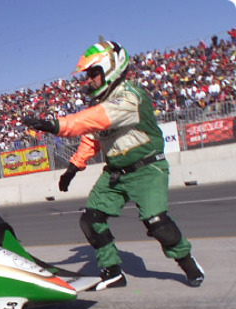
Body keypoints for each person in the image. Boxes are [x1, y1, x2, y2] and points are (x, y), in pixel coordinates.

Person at [22, 40, 204, 290]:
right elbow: (91, 138)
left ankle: (188, 263)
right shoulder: (99, 104)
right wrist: (73, 168)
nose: (90, 79)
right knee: (91, 220)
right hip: (115, 173)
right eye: (88, 75)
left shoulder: (130, 96)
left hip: (147, 169)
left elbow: (98, 118)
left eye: (94, 73)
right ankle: (113, 272)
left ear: (111, 69)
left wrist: (57, 125)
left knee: (157, 223)